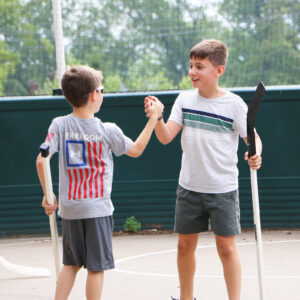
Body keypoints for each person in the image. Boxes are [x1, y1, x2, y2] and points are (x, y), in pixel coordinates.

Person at [144, 39, 262, 300]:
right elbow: (165, 137)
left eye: (200, 67)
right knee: (185, 246)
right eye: (190, 66)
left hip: (223, 189)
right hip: (189, 188)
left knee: (227, 249)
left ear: (219, 71)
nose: (192, 72)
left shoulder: (234, 105)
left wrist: (256, 153)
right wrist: (157, 117)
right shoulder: (184, 99)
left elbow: (253, 137)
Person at [36, 65, 163, 300]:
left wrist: (48, 195)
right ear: (94, 95)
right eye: (102, 90)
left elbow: (42, 161)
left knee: (71, 264)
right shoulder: (108, 130)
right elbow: (136, 149)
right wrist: (154, 118)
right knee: (96, 267)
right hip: (97, 209)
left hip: (71, 209)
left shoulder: (59, 125)